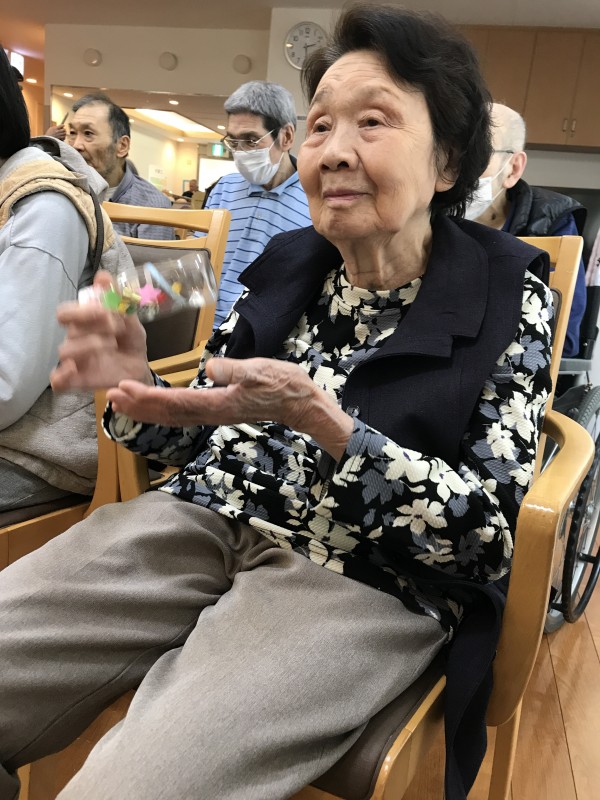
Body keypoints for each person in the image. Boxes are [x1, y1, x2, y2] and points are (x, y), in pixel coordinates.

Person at [0, 6, 553, 800]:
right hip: (197, 519)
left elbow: (486, 539)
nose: (335, 150)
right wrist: (138, 393)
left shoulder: (507, 297)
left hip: (361, 575)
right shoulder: (289, 262)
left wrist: (327, 425)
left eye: (373, 121)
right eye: (320, 125)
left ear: (448, 161)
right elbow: (196, 431)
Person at [0, 48, 132, 511]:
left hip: (38, 447)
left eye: (88, 132)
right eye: (72, 131)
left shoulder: (44, 209)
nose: (77, 141)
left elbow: (7, 389)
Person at [466, 102, 586, 358]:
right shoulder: (423, 213)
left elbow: (562, 337)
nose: (461, 166)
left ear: (514, 167)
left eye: (478, 152)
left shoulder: (552, 223)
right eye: (451, 150)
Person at [198, 80, 312, 328]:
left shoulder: (314, 198)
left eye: (251, 140)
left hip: (263, 334)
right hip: (205, 326)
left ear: (286, 137)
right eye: (233, 141)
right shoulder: (223, 188)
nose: (241, 152)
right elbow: (197, 261)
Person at [68, 93, 173, 240]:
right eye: (72, 133)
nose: (76, 145)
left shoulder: (152, 206)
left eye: (88, 133)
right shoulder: (62, 192)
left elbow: (153, 257)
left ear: (122, 146)